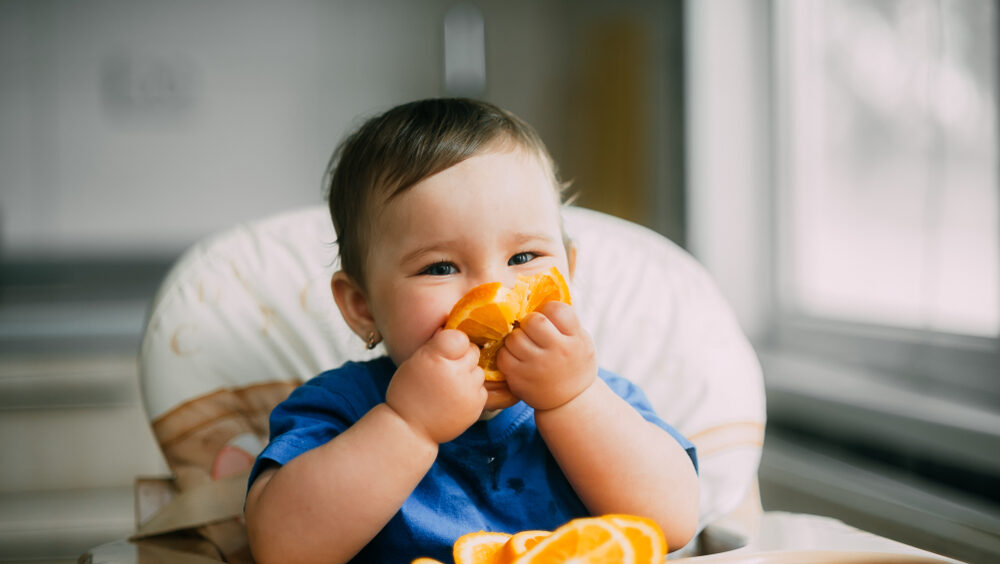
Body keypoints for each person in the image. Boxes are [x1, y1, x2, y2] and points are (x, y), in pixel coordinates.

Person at [244, 98, 700, 563]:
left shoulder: (602, 398)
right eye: (439, 267)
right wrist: (408, 425)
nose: (493, 294)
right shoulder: (343, 408)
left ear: (568, 274)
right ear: (362, 307)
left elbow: (675, 524)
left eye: (524, 259)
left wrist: (572, 401)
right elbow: (282, 550)